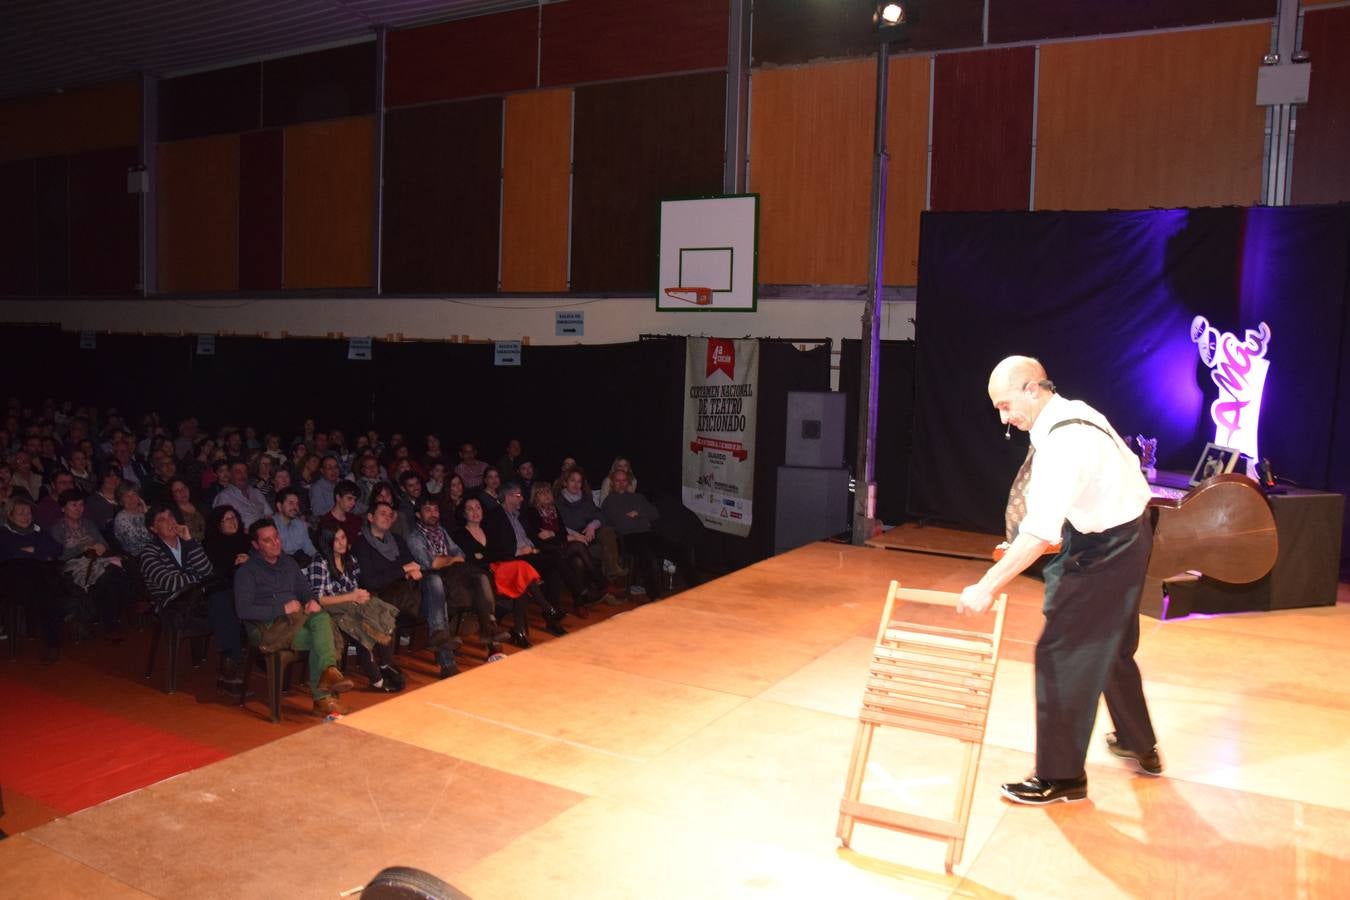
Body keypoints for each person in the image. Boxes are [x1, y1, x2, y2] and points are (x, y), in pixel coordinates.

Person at [957, 356, 1161, 806]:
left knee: (1061, 652)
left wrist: (986, 586)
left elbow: (1040, 531)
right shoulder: (1077, 412)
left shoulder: (1064, 443)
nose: (1003, 417)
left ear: (1033, 388)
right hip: (1128, 534)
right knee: (1109, 645)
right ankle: (1138, 741)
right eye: (997, 409)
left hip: (1109, 547)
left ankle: (1062, 777)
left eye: (1006, 405)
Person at [233, 520, 354, 717]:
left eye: (277, 537)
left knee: (320, 616)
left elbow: (306, 590)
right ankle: (323, 695)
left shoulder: (288, 562)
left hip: (295, 621)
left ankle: (328, 678)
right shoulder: (247, 571)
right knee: (323, 638)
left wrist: (312, 600)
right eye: (267, 540)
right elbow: (244, 610)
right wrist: (281, 607)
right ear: (256, 545)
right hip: (267, 628)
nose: (275, 543)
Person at [139, 504, 244, 687]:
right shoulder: (149, 553)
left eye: (171, 516)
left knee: (226, 597)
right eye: (162, 520)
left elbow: (207, 571)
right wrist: (199, 579)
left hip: (198, 601)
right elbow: (171, 583)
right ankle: (231, 661)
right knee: (221, 599)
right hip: (172, 606)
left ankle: (231, 662)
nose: (170, 522)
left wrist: (189, 540)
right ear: (153, 529)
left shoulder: (188, 543)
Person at [352, 501, 460, 678]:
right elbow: (370, 581)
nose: (387, 517)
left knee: (434, 581)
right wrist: (403, 570)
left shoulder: (397, 539)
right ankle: (446, 660)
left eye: (390, 514)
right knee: (437, 608)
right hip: (383, 595)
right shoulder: (361, 545)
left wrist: (411, 571)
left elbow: (413, 565)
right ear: (370, 517)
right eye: (382, 513)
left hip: (406, 590)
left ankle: (441, 642)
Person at [405, 495, 510, 657]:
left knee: (481, 576)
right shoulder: (414, 537)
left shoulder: (441, 531)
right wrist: (451, 559)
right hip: (430, 579)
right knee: (442, 580)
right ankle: (445, 638)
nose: (433, 513)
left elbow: (460, 554)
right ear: (418, 515)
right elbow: (430, 564)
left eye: (435, 510)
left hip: (451, 574)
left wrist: (447, 560)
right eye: (427, 510)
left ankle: (489, 627)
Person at [454, 496, 565, 648]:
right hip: (484, 576)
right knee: (521, 570)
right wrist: (488, 556)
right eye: (470, 509)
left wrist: (485, 555)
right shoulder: (461, 534)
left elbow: (501, 552)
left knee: (521, 577)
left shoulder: (489, 528)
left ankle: (520, 632)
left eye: (478, 507)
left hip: (501, 568)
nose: (475, 512)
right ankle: (547, 609)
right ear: (464, 513)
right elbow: (473, 560)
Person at [305, 526, 405, 693]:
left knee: (379, 613)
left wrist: (359, 596)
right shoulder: (319, 562)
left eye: (343, 537)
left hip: (351, 606)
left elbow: (356, 587)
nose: (341, 543)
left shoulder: (350, 559)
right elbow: (319, 599)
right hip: (330, 610)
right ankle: (377, 680)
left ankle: (385, 664)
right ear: (327, 543)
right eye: (336, 540)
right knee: (362, 628)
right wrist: (351, 597)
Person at [49, 489, 133, 641]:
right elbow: (58, 555)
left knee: (113, 574)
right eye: (73, 505)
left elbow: (104, 544)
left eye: (81, 505)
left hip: (95, 562)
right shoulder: (57, 528)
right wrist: (82, 548)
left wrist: (100, 546)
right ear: (63, 508)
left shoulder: (87, 523)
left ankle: (111, 622)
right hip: (72, 567)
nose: (78, 509)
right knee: (110, 576)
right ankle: (112, 623)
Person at [524, 481, 607, 615]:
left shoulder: (554, 510)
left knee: (578, 559)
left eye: (547, 492)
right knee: (578, 551)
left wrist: (553, 534)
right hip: (548, 550)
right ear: (535, 496)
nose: (545, 495)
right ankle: (596, 585)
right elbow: (539, 538)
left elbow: (562, 532)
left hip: (560, 545)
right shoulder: (532, 512)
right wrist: (557, 536)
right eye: (541, 493)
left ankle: (581, 599)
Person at [0, 497, 67, 662]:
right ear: (10, 515)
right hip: (13, 581)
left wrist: (33, 550)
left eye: (28, 512)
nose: (25, 516)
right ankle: (51, 641)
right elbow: (8, 553)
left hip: (39, 580)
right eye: (20, 513)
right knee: (27, 567)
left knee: (45, 590)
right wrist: (39, 553)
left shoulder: (38, 532)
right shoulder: (4, 533)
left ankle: (51, 643)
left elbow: (57, 549)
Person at [600, 467, 666, 598]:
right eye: (617, 481)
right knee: (646, 555)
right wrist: (643, 519)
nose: (621, 483)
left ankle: (695, 588)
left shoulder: (638, 497)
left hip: (646, 534)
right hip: (627, 537)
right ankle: (655, 596)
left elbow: (655, 513)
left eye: (624, 480)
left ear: (628, 482)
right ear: (612, 483)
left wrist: (637, 513)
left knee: (674, 547)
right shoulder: (609, 502)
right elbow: (622, 524)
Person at [271, 487, 316, 564]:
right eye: (291, 503)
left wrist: (319, 560)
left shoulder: (300, 524)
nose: (295, 507)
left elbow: (309, 549)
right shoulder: (271, 526)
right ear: (279, 506)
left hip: (300, 564)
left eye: (297, 504)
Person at [204, 505, 251, 577]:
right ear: (218, 524)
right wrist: (236, 563)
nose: (232, 521)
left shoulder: (246, 538)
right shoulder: (211, 545)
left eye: (233, 517)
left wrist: (250, 559)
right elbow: (218, 570)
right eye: (227, 519)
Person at [112, 483, 155, 558]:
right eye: (126, 496)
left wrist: (146, 511)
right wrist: (146, 514)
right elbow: (141, 540)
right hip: (140, 555)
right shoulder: (121, 519)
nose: (131, 499)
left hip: (157, 548)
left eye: (134, 494)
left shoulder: (148, 509)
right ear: (121, 501)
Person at [319, 480, 363, 546]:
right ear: (338, 497)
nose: (353, 503)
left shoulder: (356, 519)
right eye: (349, 498)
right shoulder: (326, 522)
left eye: (355, 500)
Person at [169, 477, 206, 541]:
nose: (182, 492)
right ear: (172, 495)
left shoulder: (200, 505)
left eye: (184, 488)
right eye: (177, 491)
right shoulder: (172, 513)